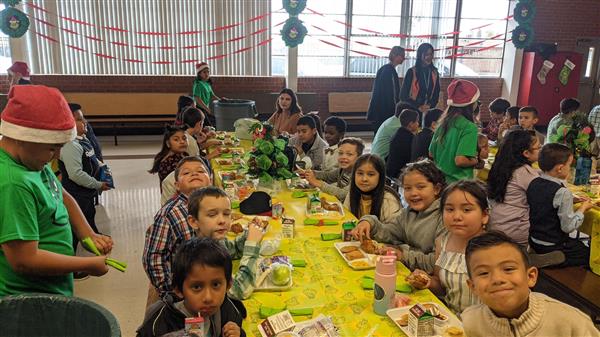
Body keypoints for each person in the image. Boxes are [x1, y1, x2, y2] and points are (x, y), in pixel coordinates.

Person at [0, 85, 113, 297]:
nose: (57, 155)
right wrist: (84, 265)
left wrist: (88, 233)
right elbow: (24, 260)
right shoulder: (12, 183)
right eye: (52, 148)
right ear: (24, 138)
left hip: (52, 289)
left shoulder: (32, 163)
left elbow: (61, 195)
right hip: (29, 298)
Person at [463, 231, 599, 337]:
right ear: (473, 286)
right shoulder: (469, 322)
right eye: (483, 273)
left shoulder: (571, 323)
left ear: (531, 276)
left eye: (508, 269)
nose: (497, 279)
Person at [406, 180, 488, 314]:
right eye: (449, 209)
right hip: (450, 321)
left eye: (466, 210)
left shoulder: (493, 249)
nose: (456, 216)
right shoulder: (442, 243)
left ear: (484, 215)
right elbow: (442, 287)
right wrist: (428, 281)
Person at [137, 238, 246, 337]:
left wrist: (239, 334)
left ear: (228, 285)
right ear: (178, 289)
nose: (208, 297)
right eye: (197, 287)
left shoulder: (228, 310)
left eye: (216, 285)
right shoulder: (159, 324)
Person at [352, 160, 446, 273]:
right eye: (407, 188)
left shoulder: (445, 218)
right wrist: (369, 222)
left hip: (429, 282)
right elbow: (389, 233)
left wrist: (403, 255)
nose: (413, 193)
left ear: (437, 189)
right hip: (406, 270)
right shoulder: (408, 213)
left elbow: (438, 262)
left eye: (420, 187)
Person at [143, 157, 212, 300]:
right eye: (186, 173)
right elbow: (154, 257)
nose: (194, 174)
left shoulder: (213, 207)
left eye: (200, 171)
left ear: (210, 180)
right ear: (177, 185)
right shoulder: (169, 214)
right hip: (184, 290)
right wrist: (171, 292)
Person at [188, 186, 264, 300]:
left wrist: (247, 235)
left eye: (226, 214)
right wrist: (252, 244)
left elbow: (233, 250)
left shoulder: (213, 240)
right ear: (194, 222)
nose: (222, 220)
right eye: (212, 215)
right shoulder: (201, 259)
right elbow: (239, 290)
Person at [527, 143, 593, 267]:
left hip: (534, 239)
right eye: (569, 164)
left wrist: (569, 201)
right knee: (587, 253)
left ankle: (542, 255)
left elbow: (545, 203)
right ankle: (556, 259)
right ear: (560, 168)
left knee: (576, 245)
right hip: (553, 244)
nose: (570, 168)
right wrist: (582, 209)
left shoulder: (534, 182)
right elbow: (568, 227)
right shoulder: (563, 192)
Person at [59, 105, 111, 254]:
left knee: (89, 215)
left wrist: (103, 170)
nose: (85, 122)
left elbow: (93, 159)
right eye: (80, 119)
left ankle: (94, 236)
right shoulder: (71, 146)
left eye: (84, 118)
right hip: (77, 193)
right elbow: (76, 174)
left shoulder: (83, 140)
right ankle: (71, 259)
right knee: (75, 227)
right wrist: (97, 184)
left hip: (87, 191)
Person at [487, 130, 540, 246]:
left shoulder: (501, 167)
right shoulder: (525, 173)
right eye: (538, 148)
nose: (540, 150)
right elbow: (544, 197)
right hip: (515, 229)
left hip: (494, 224)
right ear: (526, 153)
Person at [429, 79, 480, 183]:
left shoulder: (443, 122)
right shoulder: (469, 127)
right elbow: (460, 160)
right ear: (471, 103)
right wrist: (475, 161)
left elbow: (431, 153)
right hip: (459, 184)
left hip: (440, 181)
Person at [343, 154, 402, 224]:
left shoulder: (388, 200)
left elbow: (393, 232)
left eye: (371, 174)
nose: (364, 179)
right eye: (360, 173)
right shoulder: (352, 194)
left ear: (380, 177)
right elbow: (346, 221)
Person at [301, 137, 364, 202]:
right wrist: (310, 173)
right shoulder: (342, 170)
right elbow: (328, 176)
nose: (343, 157)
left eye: (349, 154)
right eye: (340, 153)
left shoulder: (359, 174)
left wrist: (318, 183)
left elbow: (344, 194)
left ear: (359, 157)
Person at [366, 46, 405, 132]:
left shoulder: (387, 69)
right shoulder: (388, 71)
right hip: (383, 111)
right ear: (395, 55)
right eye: (402, 56)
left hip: (381, 110)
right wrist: (395, 109)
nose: (404, 58)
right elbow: (391, 93)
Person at [400, 43, 440, 115]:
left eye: (431, 54)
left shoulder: (434, 72)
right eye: (426, 54)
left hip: (428, 110)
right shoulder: (411, 72)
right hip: (412, 111)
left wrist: (429, 105)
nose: (429, 57)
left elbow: (436, 94)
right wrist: (418, 106)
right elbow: (403, 96)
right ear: (420, 55)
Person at [386, 108, 419, 179]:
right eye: (416, 122)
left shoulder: (398, 133)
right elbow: (412, 158)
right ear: (410, 124)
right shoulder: (409, 138)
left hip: (390, 170)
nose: (418, 124)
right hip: (399, 173)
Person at [192, 62, 223, 127]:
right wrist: (206, 108)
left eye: (208, 72)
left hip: (205, 108)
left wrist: (221, 101)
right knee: (209, 126)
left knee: (211, 125)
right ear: (199, 74)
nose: (207, 74)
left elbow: (212, 95)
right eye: (204, 72)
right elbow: (197, 98)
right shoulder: (198, 84)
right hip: (199, 109)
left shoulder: (207, 84)